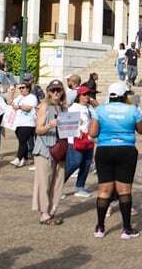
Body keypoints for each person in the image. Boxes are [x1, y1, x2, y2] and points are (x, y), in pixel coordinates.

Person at [90, 82, 142, 239]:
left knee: (104, 190)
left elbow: (93, 132)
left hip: (104, 149)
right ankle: (126, 229)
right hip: (126, 150)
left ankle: (100, 228)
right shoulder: (132, 109)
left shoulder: (100, 109)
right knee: (124, 190)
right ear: (124, 95)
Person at [32, 80, 68, 225]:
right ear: (48, 92)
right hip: (45, 149)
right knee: (44, 181)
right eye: (53, 90)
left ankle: (52, 210)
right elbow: (38, 130)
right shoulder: (44, 106)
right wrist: (49, 125)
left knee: (58, 181)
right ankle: (44, 213)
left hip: (59, 148)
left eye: (58, 90)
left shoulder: (63, 108)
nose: (56, 93)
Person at [64, 84, 95, 197]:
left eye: (88, 94)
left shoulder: (90, 108)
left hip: (89, 139)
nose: (87, 96)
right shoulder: (73, 107)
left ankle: (80, 186)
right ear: (79, 96)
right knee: (74, 163)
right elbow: (67, 122)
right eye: (84, 94)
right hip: (75, 140)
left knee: (86, 163)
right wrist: (77, 131)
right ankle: (58, 185)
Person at [10, 82, 38, 168]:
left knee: (22, 140)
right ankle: (24, 159)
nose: (21, 89)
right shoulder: (20, 97)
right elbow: (11, 103)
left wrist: (18, 107)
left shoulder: (32, 97)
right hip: (18, 123)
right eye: (20, 88)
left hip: (28, 123)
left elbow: (29, 108)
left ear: (28, 88)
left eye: (23, 87)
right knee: (22, 141)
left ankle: (18, 158)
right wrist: (11, 93)